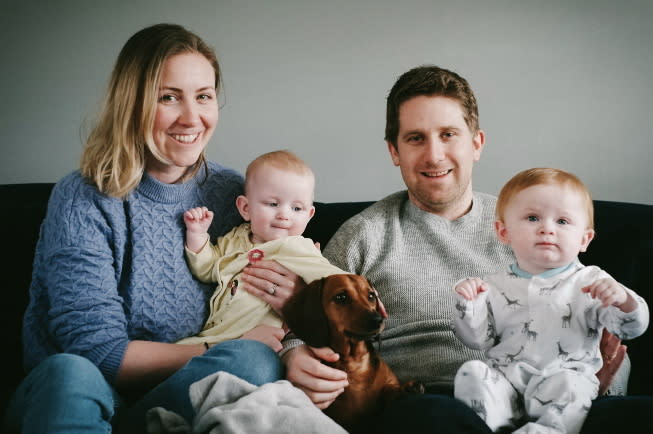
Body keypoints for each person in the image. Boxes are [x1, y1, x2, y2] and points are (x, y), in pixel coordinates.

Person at [281, 65, 652, 433]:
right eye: (415, 138)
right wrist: (293, 353)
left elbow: (598, 335)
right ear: (394, 151)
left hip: (551, 405)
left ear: (476, 143)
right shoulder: (363, 234)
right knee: (428, 417)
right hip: (430, 405)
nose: (434, 155)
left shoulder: (531, 225)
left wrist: (600, 385)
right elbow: (308, 316)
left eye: (448, 135)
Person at [3, 23, 290, 433]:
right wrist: (218, 347)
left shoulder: (235, 195)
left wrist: (295, 314)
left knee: (253, 361)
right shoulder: (83, 198)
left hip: (177, 399)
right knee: (71, 373)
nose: (192, 118)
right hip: (79, 397)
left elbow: (275, 308)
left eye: (204, 97)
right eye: (168, 97)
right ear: (132, 102)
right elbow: (99, 354)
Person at [452, 167, 649, 433]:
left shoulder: (591, 282)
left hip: (563, 379)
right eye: (533, 218)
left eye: (563, 222)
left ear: (584, 239)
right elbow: (476, 339)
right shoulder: (493, 285)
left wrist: (623, 300)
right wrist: (469, 304)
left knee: (571, 387)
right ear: (503, 232)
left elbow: (630, 328)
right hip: (507, 380)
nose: (547, 229)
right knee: (472, 371)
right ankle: (491, 426)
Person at [178, 150, 345, 349]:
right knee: (178, 353)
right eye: (273, 204)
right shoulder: (235, 238)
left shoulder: (298, 248)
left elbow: (333, 280)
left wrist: (364, 294)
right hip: (215, 337)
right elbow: (207, 270)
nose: (284, 215)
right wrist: (197, 235)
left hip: (261, 344)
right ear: (245, 208)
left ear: (309, 215)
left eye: (296, 209)